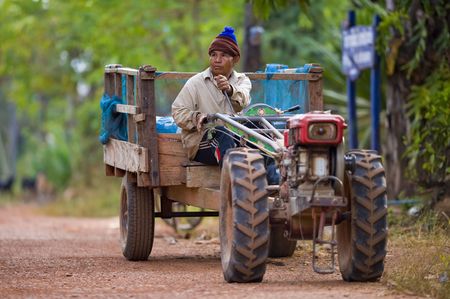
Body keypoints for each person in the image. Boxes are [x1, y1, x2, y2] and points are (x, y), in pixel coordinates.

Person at [172, 26, 251, 166]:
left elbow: (243, 101)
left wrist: (230, 90)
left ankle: (274, 183)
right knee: (223, 133)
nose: (217, 60)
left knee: (260, 135)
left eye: (224, 55)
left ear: (235, 59)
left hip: (233, 137)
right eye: (213, 55)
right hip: (202, 142)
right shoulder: (195, 83)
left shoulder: (242, 80)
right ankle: (232, 184)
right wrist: (196, 117)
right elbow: (178, 111)